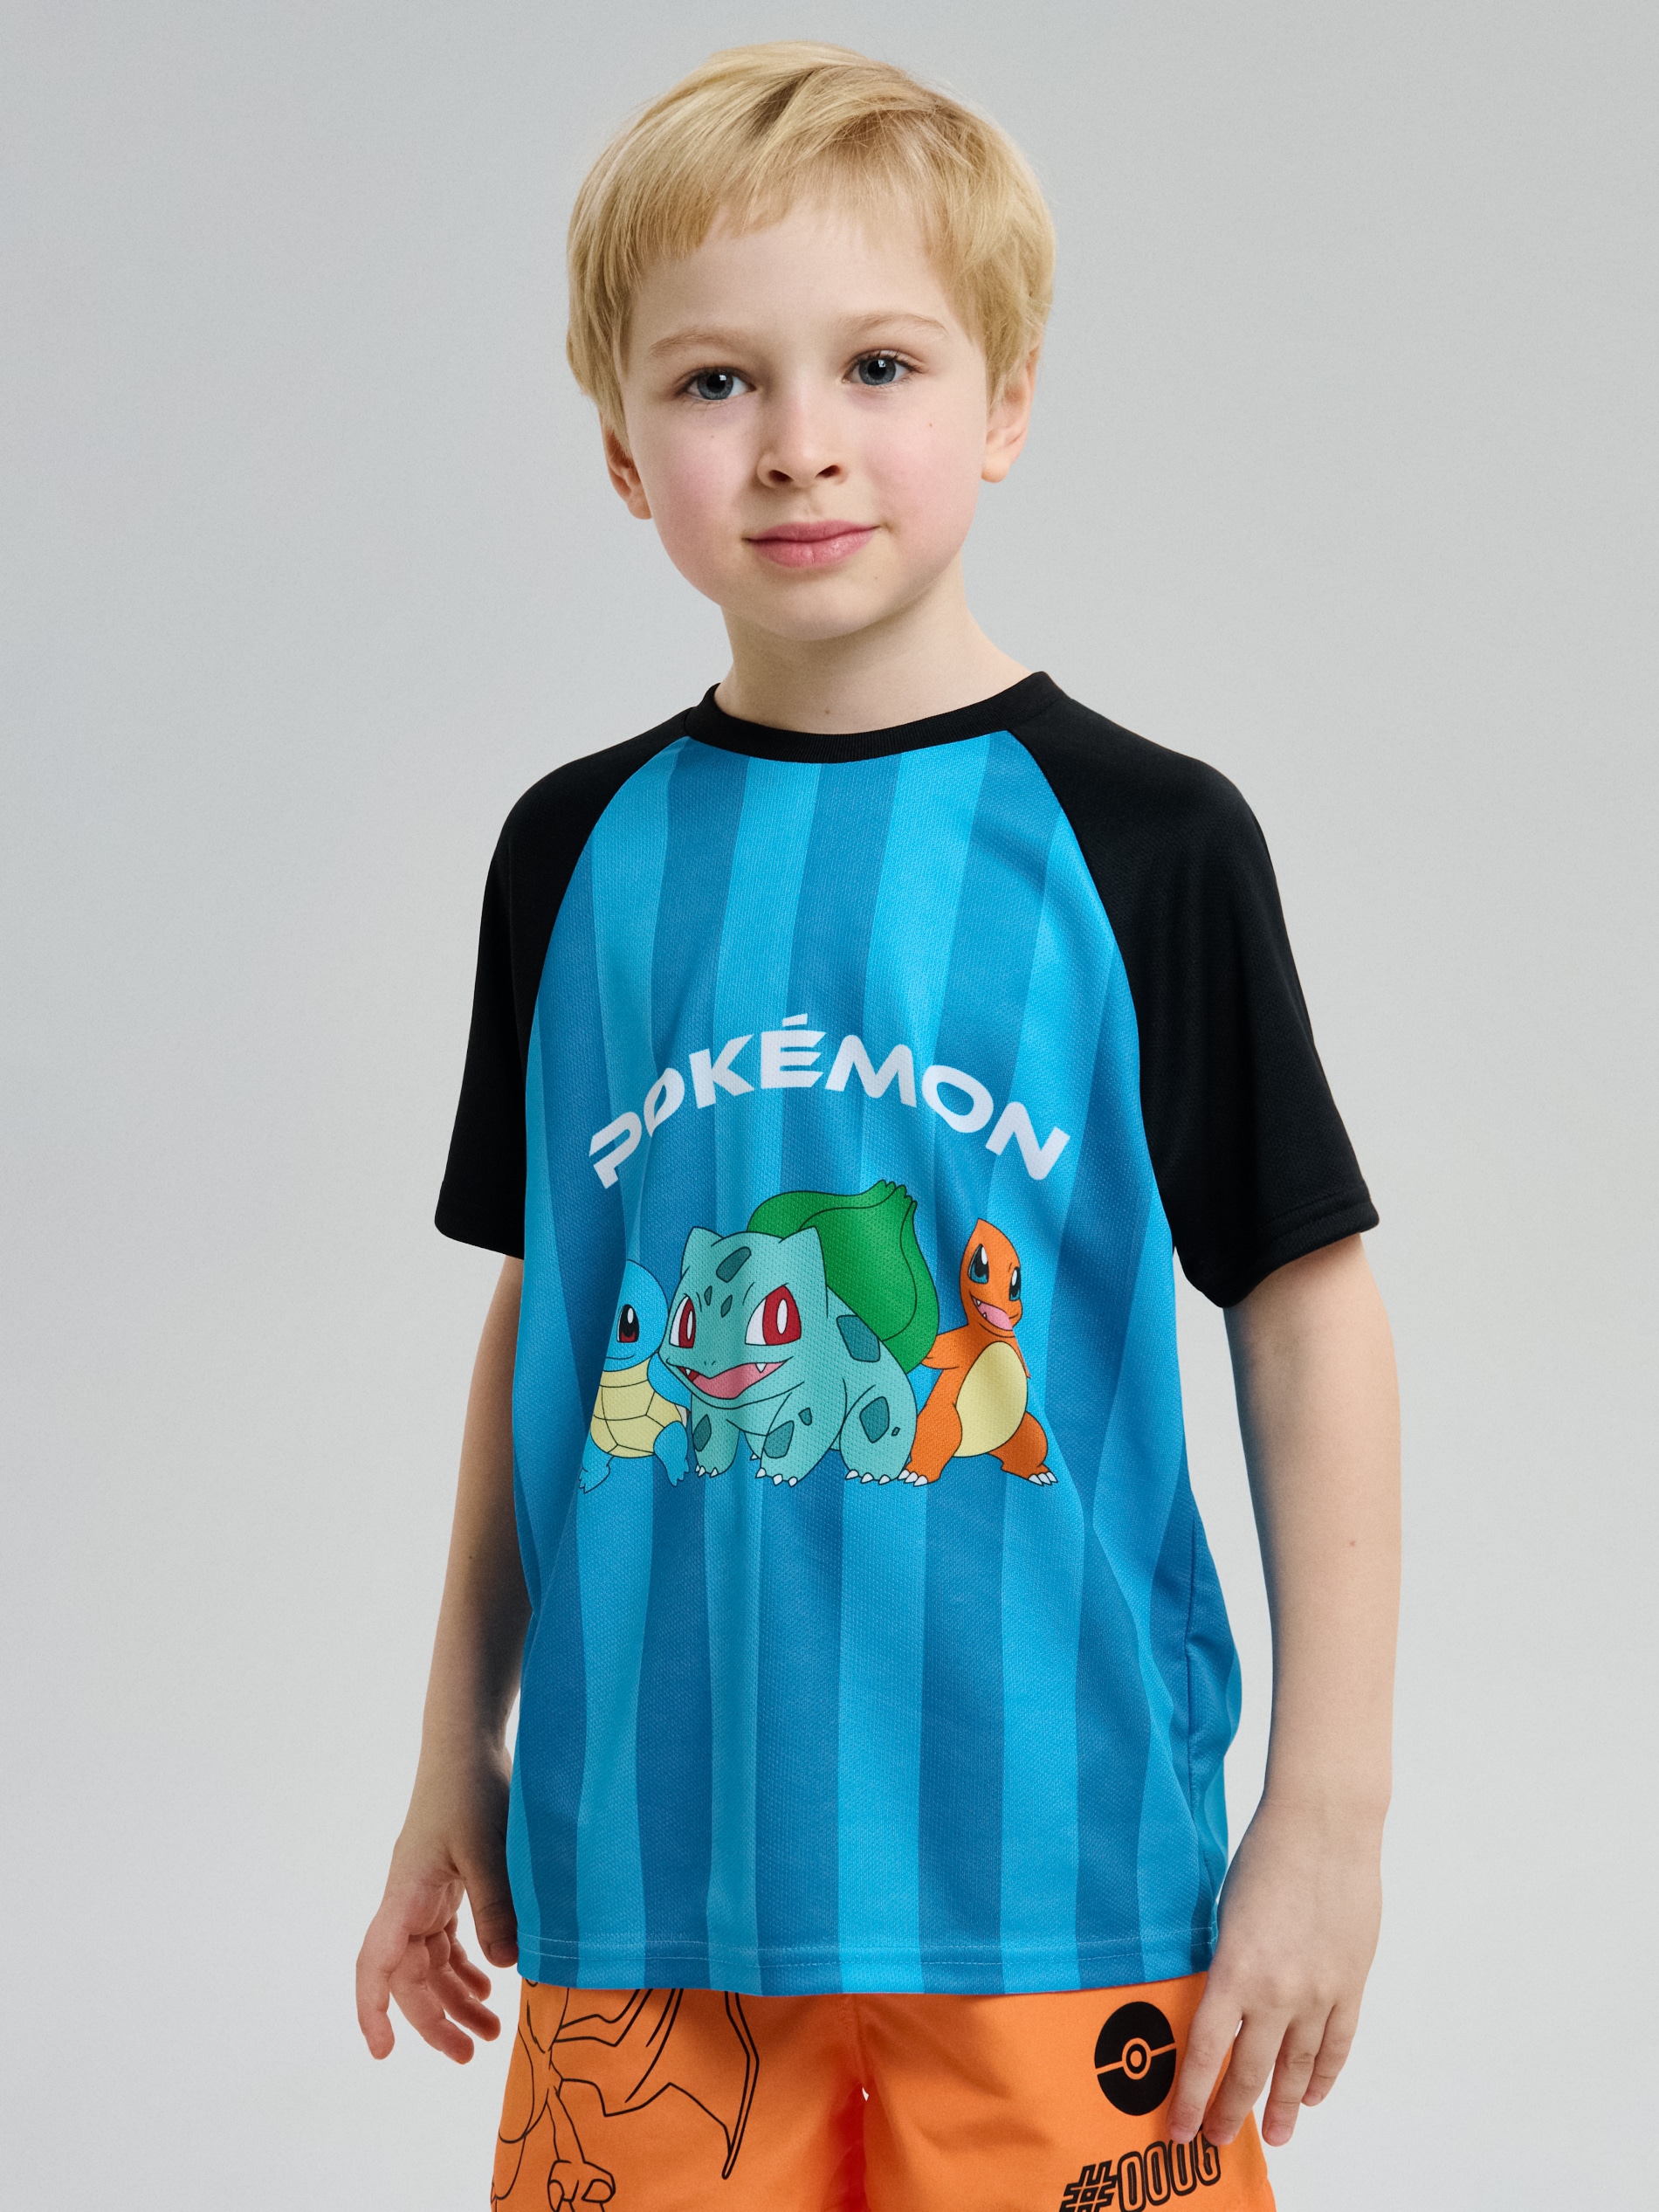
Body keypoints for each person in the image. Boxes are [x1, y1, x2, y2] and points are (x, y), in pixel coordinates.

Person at [355, 42, 1400, 2212]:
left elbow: (1305, 1313)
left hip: (1063, 1897)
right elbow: (555, 1316)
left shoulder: (1146, 841)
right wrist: (457, 1744)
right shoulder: (572, 859)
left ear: (1003, 403)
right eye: (712, 380)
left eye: (879, 365)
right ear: (620, 446)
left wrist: (1326, 1813)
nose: (798, 440)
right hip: (644, 1900)